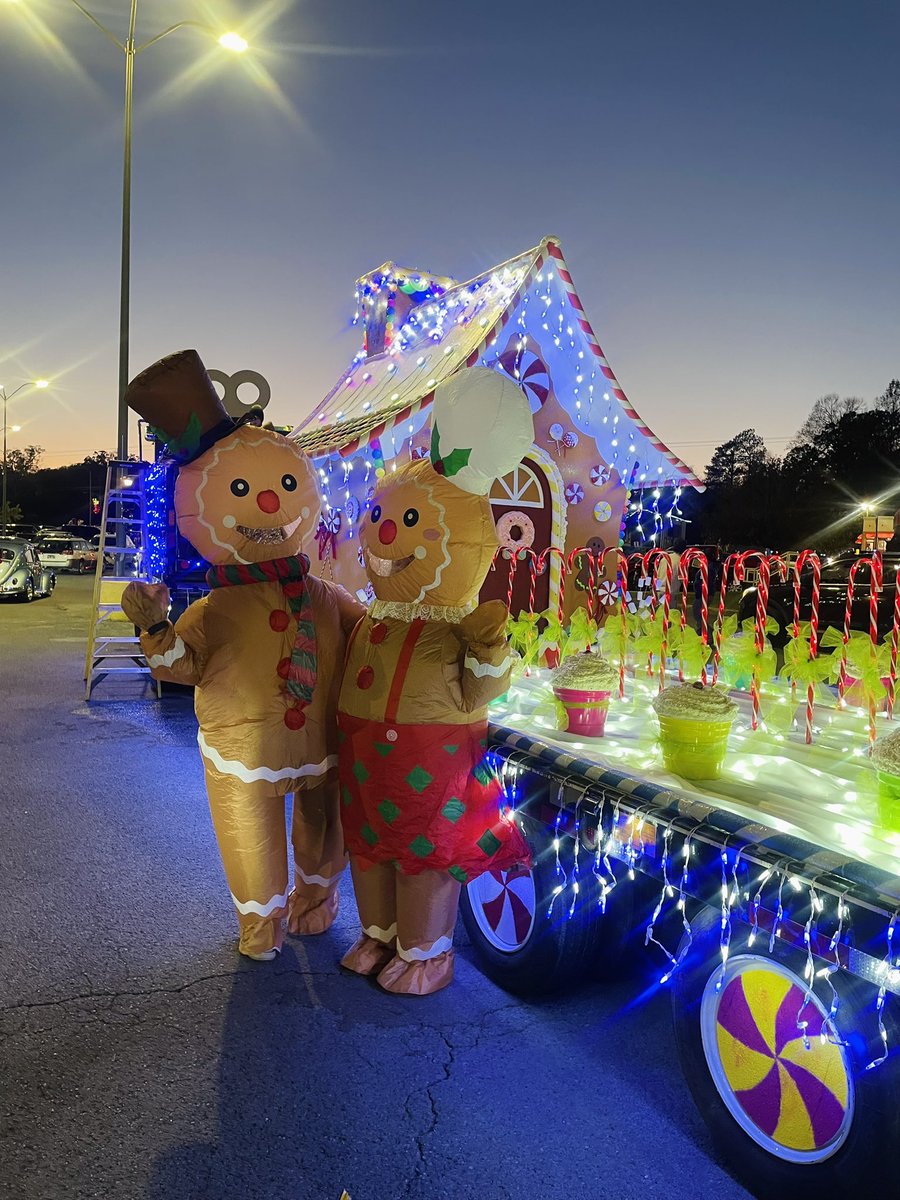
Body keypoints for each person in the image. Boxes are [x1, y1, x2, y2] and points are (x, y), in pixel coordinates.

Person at [694, 546, 722, 636]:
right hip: (705, 593)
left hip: (703, 594)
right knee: (699, 615)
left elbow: (705, 582)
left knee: (698, 614)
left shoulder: (708, 568)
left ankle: (707, 635)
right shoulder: (710, 567)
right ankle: (705, 634)